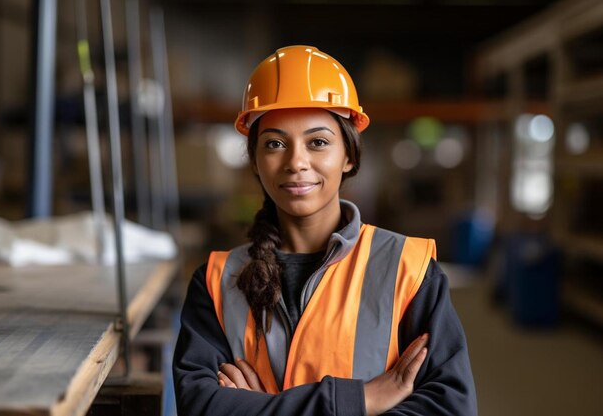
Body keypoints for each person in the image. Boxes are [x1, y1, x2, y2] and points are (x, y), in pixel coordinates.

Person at [173, 45, 477, 415]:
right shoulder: (217, 282)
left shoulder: (407, 271)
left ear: (349, 156)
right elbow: (199, 407)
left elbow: (449, 409)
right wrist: (359, 401)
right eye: (275, 144)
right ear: (255, 160)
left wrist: (262, 407)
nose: (296, 162)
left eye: (318, 142)